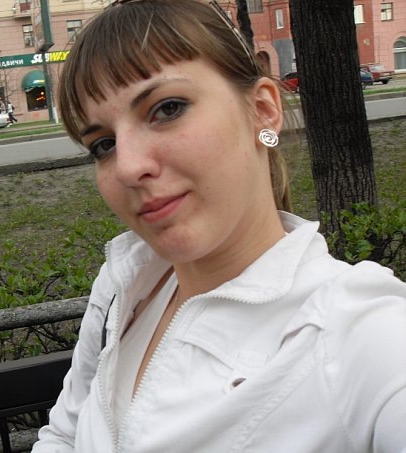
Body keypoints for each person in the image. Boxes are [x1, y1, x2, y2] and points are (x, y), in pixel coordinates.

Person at [32, 1, 406, 452]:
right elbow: (64, 434)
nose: (128, 167)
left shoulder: (357, 333)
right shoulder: (124, 284)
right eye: (103, 145)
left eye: (167, 108)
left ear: (262, 110)